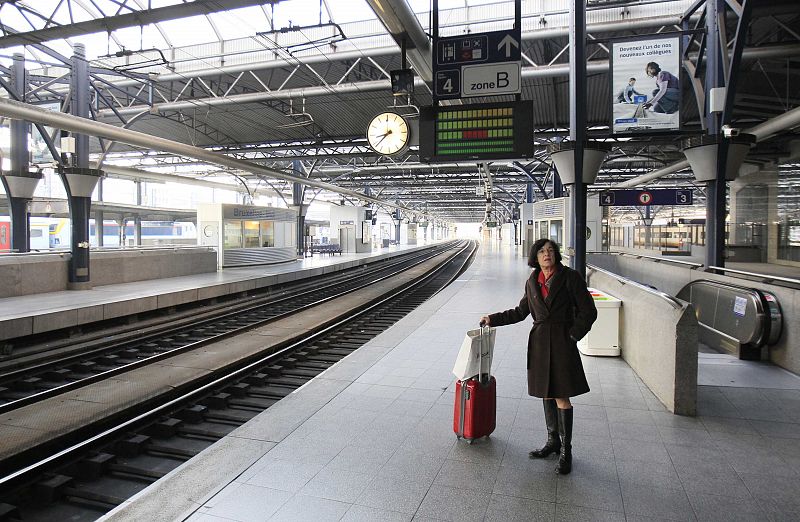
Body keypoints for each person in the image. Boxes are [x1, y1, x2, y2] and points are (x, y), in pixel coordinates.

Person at [480, 239, 597, 475]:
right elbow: (521, 312)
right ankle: (552, 442)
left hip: (563, 342)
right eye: (542, 251)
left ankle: (566, 451)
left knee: (561, 396)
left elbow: (589, 311)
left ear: (556, 255)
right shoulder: (533, 281)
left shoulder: (570, 277)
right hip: (541, 342)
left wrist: (573, 335)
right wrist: (493, 319)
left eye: (551, 251)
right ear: (535, 256)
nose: (547, 255)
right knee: (546, 392)